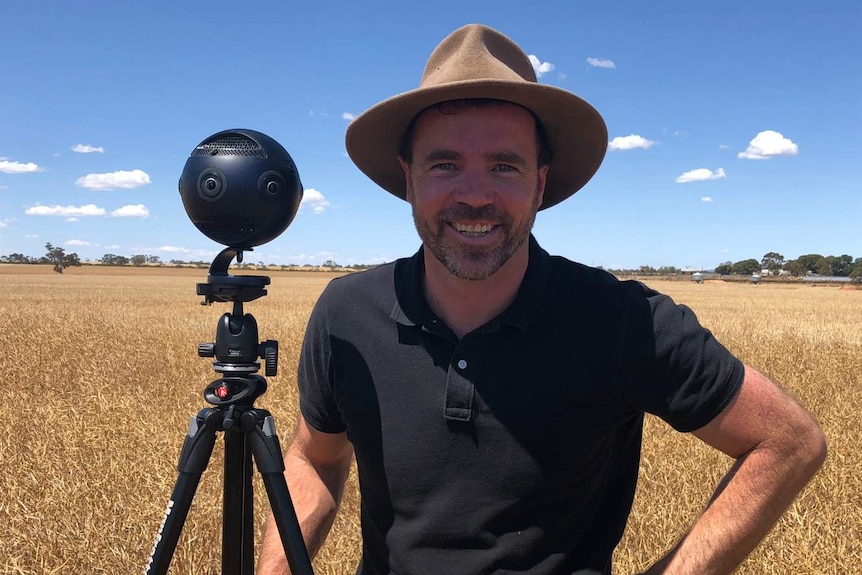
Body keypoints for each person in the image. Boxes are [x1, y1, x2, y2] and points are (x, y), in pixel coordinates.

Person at [259, 24, 826, 575]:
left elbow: (787, 442)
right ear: (408, 178)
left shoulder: (619, 321)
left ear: (540, 182)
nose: (475, 195)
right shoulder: (347, 312)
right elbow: (316, 456)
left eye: (504, 166)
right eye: (445, 164)